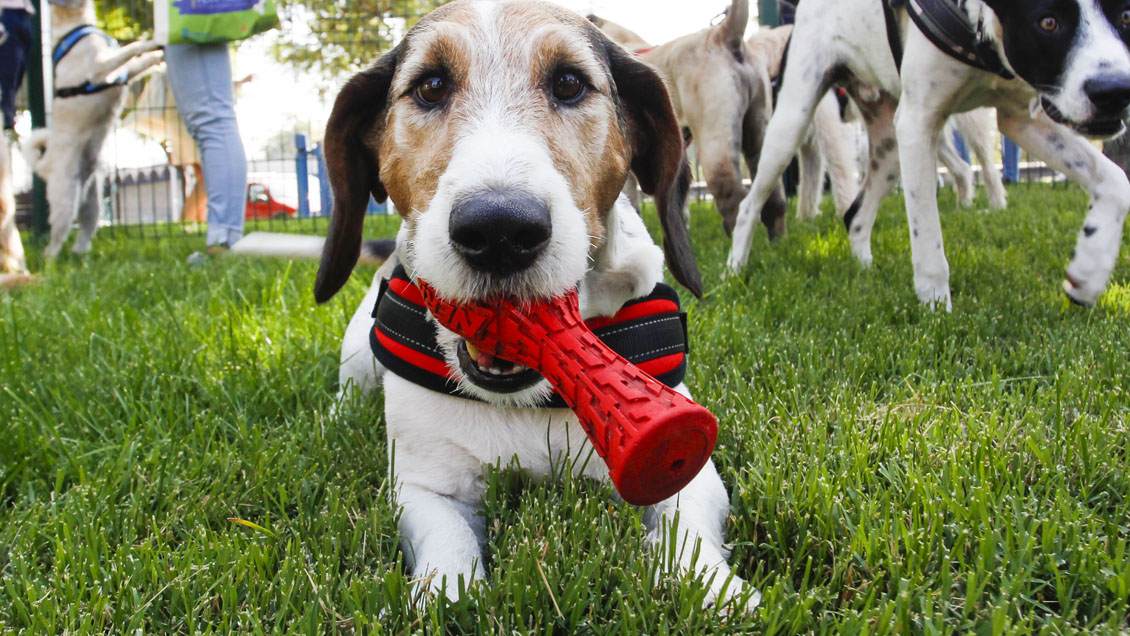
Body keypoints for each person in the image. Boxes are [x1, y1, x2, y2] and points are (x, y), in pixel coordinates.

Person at [164, 42, 247, 260]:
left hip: (191, 11)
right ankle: (224, 238)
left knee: (212, 121)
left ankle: (225, 241)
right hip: (184, 13)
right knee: (207, 121)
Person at [0, 0, 34, 140]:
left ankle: (8, 121)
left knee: (18, 72)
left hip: (24, 16)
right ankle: (7, 124)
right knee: (9, 74)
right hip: (6, 15)